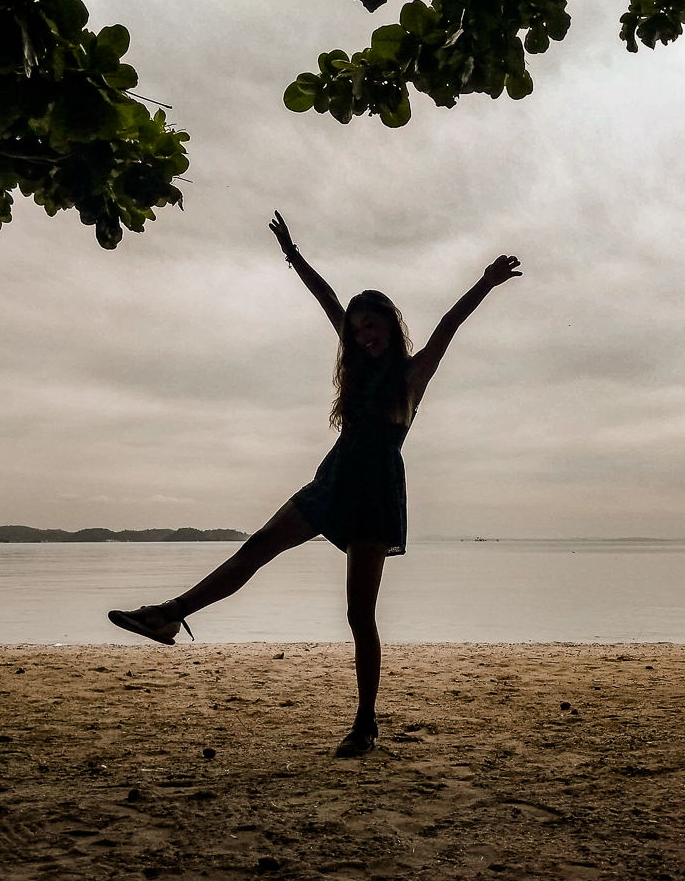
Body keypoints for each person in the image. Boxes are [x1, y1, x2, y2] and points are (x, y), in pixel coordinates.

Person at [109, 211, 521, 756]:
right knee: (256, 549)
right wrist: (293, 254)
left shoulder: (412, 375)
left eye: (372, 325)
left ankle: (365, 723)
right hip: (332, 482)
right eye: (357, 328)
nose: (363, 334)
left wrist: (485, 284)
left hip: (375, 496)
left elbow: (450, 322)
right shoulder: (353, 367)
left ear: (389, 328)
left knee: (359, 614)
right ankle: (167, 616)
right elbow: (327, 299)